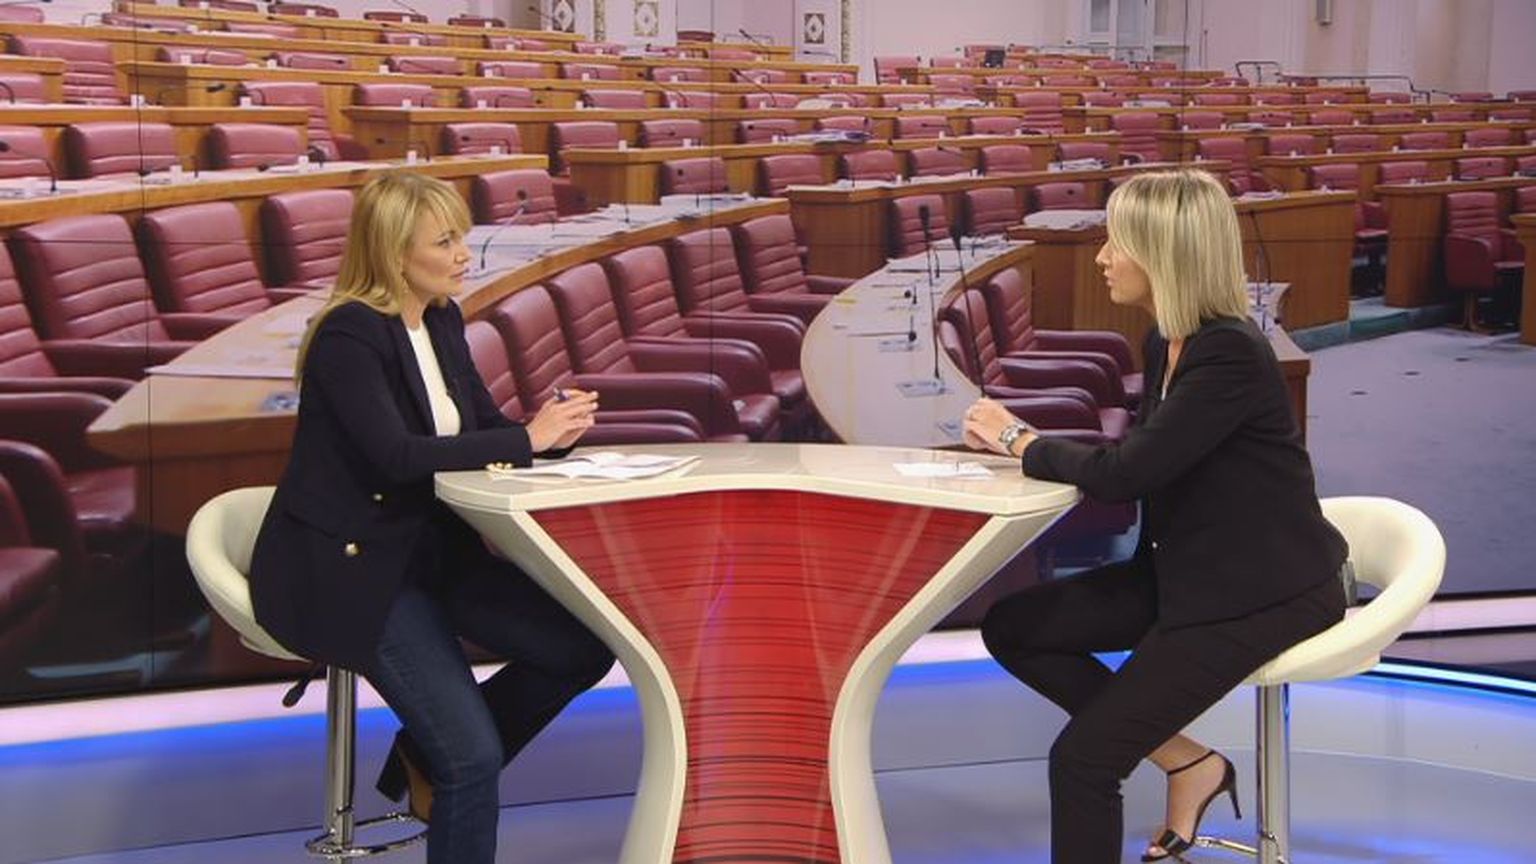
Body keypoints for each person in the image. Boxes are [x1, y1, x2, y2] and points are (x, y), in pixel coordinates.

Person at [961, 169, 1347, 864]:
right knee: (1013, 627)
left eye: (1118, 243)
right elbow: (1144, 460)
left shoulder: (1229, 352)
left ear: (1165, 254)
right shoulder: (1165, 341)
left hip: (1261, 593)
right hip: (1187, 572)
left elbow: (1126, 474)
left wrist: (1018, 439)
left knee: (1083, 760)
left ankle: (1184, 766)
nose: (1103, 257)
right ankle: (1189, 762)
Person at [248, 172, 614, 864]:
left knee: (582, 649)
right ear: (393, 252)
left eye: (460, 238)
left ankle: (423, 755)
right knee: (472, 758)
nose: (463, 254)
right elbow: (395, 457)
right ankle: (446, 760)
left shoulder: (442, 319)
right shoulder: (348, 336)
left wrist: (550, 435)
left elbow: (482, 427)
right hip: (356, 571)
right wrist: (524, 440)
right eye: (444, 242)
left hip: (431, 555)